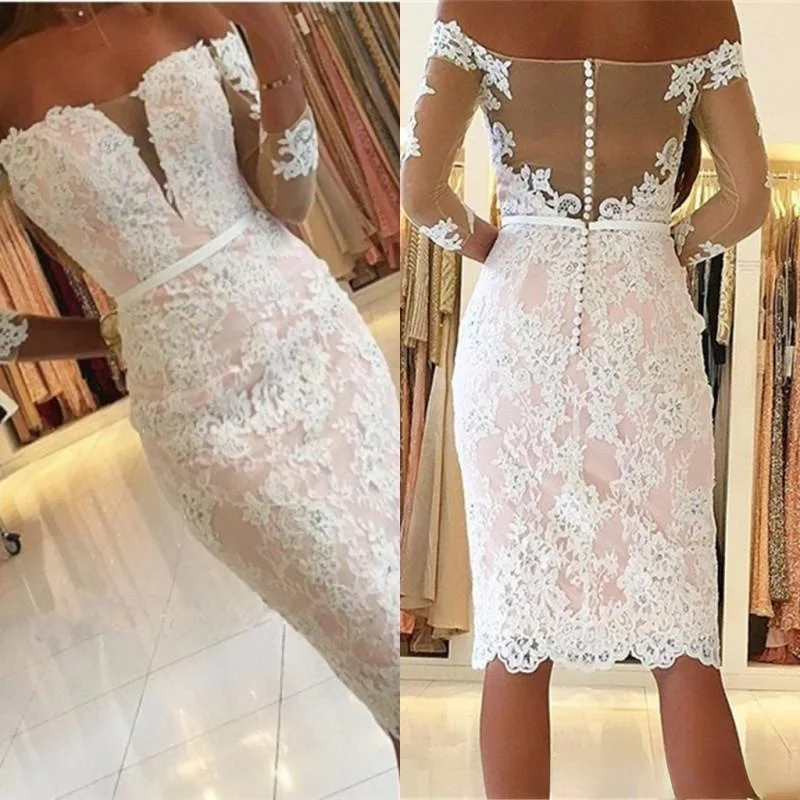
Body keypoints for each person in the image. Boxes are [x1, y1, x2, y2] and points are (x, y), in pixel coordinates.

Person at [0, 2, 399, 756]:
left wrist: (275, 47)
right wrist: (105, 334)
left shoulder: (185, 9)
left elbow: (290, 200)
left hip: (320, 348)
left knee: (406, 623)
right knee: (372, 638)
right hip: (204, 426)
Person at [401, 0, 768, 797]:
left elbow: (421, 192)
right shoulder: (703, 8)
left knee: (515, 635)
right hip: (646, 330)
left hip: (519, 330)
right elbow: (748, 200)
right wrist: (668, 246)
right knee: (681, 635)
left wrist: (492, 244)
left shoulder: (472, 7)